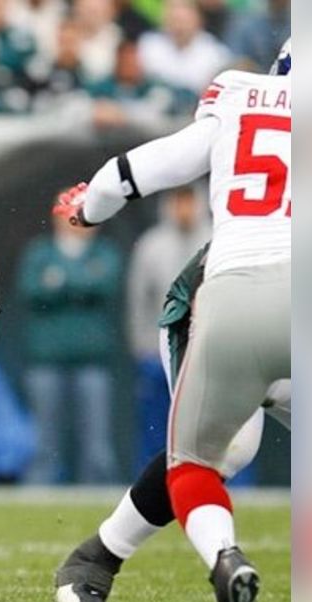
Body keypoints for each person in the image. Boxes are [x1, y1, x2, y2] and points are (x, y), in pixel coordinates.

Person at [52, 39, 292, 602]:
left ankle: (224, 559)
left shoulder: (240, 97)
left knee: (201, 461)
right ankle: (97, 560)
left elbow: (133, 172)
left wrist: (90, 208)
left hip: (235, 293)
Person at [16, 211, 123, 486]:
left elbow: (106, 285)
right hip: (46, 359)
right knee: (44, 440)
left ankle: (98, 498)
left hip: (92, 360)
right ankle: (39, 497)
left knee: (97, 442)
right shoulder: (40, 252)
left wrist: (61, 281)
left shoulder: (105, 251)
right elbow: (31, 290)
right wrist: (83, 283)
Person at [126, 185, 207, 463]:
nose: (184, 210)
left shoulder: (217, 238)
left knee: (210, 423)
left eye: (189, 202)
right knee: (156, 424)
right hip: (160, 348)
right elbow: (139, 299)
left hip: (206, 348)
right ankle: (152, 485)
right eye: (178, 202)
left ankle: (230, 486)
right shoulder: (152, 244)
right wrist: (143, 347)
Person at [137, 0, 232, 96]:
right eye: (173, 16)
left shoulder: (216, 55)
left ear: (199, 17)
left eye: (182, 18)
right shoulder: (146, 46)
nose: (178, 23)